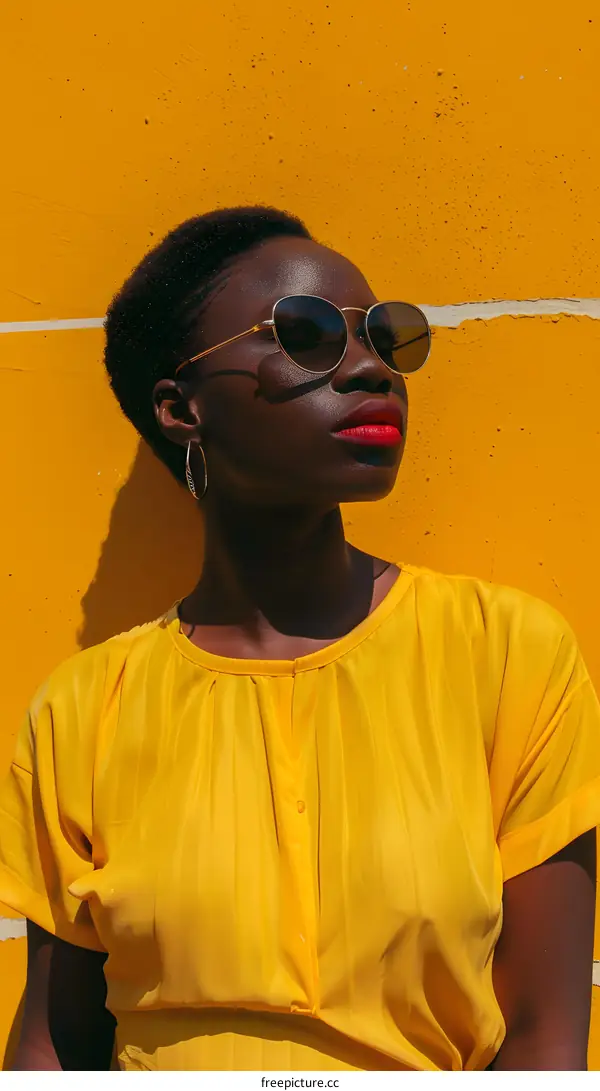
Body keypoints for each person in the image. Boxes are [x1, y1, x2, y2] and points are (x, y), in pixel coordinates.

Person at [1, 206, 599, 1072]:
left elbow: (547, 1037)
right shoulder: (88, 706)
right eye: (306, 334)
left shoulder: (503, 654)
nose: (370, 368)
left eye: (384, 337)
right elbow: (55, 1042)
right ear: (180, 408)